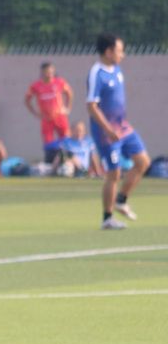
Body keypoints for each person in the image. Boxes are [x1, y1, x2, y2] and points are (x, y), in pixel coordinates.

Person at [87, 33, 150, 230]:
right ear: (108, 51)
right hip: (106, 133)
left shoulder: (117, 70)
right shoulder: (97, 73)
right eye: (120, 51)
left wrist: (120, 125)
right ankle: (107, 218)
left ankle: (121, 200)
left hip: (123, 127)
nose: (122, 55)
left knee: (143, 162)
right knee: (114, 173)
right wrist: (107, 129)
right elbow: (91, 106)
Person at [25, 62, 74, 163]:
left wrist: (67, 108)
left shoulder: (59, 82)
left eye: (51, 72)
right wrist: (35, 113)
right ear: (42, 72)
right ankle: (50, 163)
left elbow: (69, 93)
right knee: (48, 144)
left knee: (66, 141)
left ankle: (68, 162)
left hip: (60, 117)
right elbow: (27, 99)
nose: (50, 74)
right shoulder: (36, 85)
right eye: (47, 72)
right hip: (46, 119)